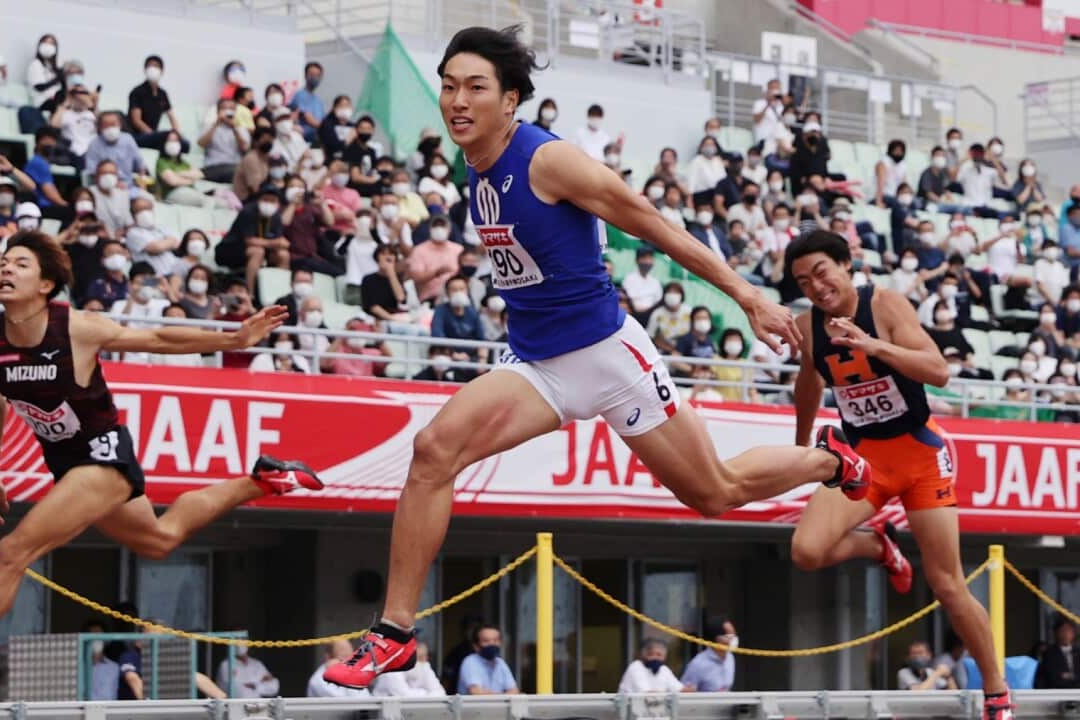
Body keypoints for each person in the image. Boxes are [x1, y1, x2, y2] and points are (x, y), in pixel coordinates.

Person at [324, 26, 869, 690]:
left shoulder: (551, 162)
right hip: (535, 364)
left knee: (714, 494)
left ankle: (831, 459)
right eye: (447, 85)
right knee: (434, 450)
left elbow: (655, 224)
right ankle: (395, 633)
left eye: (475, 87)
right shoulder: (474, 158)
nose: (456, 100)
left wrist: (748, 295)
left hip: (607, 357)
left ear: (512, 99)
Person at [0, 232, 324, 693]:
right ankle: (263, 480)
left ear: (46, 284)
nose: (6, 269)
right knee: (159, 538)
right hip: (67, 464)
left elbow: (157, 335)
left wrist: (234, 338)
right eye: (3, 262)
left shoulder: (78, 328)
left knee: (14, 552)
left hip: (103, 456)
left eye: (20, 264)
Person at [783, 231, 1013, 720]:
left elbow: (937, 371)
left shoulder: (885, 306)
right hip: (866, 461)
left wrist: (872, 344)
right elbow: (809, 379)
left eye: (822, 272)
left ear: (847, 265)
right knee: (805, 551)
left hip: (920, 456)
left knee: (947, 583)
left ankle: (996, 692)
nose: (816, 287)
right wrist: (801, 445)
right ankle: (877, 544)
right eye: (803, 281)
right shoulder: (809, 327)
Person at [127, 55, 180, 151]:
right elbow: (136, 121)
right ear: (145, 70)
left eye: (156, 66)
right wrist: (153, 135)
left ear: (162, 71)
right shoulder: (137, 92)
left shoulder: (162, 94)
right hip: (139, 136)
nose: (153, 69)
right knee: (165, 137)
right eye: (150, 66)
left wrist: (176, 134)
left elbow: (172, 117)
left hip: (154, 136)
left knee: (184, 144)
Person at [85, 111, 147, 190]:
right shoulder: (94, 144)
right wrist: (114, 183)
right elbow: (92, 172)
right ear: (100, 127)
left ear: (120, 125)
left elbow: (141, 166)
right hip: (103, 187)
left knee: (144, 201)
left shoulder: (128, 140)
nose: (110, 128)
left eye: (113, 124)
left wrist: (142, 186)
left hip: (128, 187)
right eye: (106, 125)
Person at [200, 95, 248, 183]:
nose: (228, 111)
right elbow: (201, 144)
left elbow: (245, 149)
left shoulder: (240, 129)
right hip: (214, 167)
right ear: (218, 111)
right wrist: (216, 124)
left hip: (235, 167)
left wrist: (234, 128)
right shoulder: (210, 126)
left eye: (231, 108)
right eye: (224, 108)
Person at [456, 625, 517, 695]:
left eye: (496, 640)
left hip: (497, 705)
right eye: (486, 641)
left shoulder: (501, 663)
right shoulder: (470, 662)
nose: (492, 644)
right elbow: (476, 692)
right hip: (474, 706)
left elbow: (514, 691)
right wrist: (502, 696)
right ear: (476, 646)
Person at [680, 618, 737, 692]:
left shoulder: (730, 658)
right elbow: (684, 693)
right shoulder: (698, 663)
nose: (734, 639)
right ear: (718, 639)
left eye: (734, 635)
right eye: (730, 636)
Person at [372, 641, 445, 697]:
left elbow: (440, 692)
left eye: (424, 657)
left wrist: (426, 694)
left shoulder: (424, 666)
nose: (422, 662)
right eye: (419, 657)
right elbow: (404, 695)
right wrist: (425, 692)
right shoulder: (392, 670)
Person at [617, 638, 689, 694]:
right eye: (651, 654)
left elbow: (680, 690)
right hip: (628, 711)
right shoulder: (635, 667)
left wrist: (690, 689)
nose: (655, 658)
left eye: (659, 655)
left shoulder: (664, 669)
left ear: (664, 657)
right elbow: (648, 694)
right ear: (643, 655)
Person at [622, 247, 663, 327]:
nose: (647, 261)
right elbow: (632, 304)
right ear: (637, 260)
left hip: (652, 317)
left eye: (650, 258)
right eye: (644, 258)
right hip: (634, 316)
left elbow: (658, 301)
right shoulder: (629, 279)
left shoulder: (655, 282)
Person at [1036, 616, 1080, 689]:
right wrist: (1072, 677)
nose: (1066, 634)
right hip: (1056, 694)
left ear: (1074, 633)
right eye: (1063, 630)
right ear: (1056, 632)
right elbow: (1053, 678)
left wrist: (1070, 676)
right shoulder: (1049, 653)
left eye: (1069, 630)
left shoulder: (1078, 652)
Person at [289, 62, 325, 143]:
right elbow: (309, 119)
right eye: (312, 74)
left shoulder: (319, 101)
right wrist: (325, 128)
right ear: (305, 76)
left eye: (318, 75)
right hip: (303, 141)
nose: (315, 77)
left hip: (317, 141)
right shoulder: (299, 95)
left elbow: (323, 120)